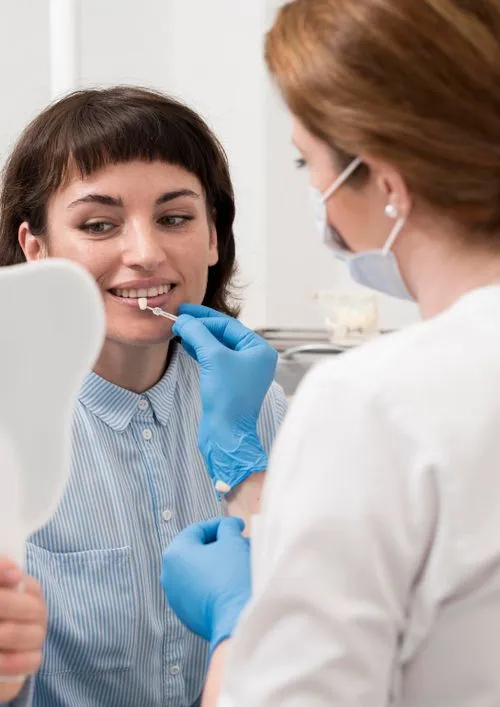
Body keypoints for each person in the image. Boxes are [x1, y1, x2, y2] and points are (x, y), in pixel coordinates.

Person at [160, 0, 500, 705]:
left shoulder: (375, 404)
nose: (315, 190)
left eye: (305, 160)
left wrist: (237, 622)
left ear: (385, 179)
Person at [0, 86, 287, 707]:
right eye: (99, 225)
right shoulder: (11, 424)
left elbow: (307, 637)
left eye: (175, 218)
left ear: (213, 237)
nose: (146, 254)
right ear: (36, 250)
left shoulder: (258, 406)